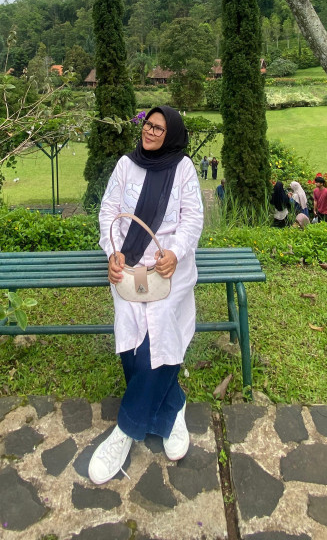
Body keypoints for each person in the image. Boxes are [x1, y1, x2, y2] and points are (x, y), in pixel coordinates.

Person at [91, 106, 204, 485]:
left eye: (159, 128)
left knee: (161, 326)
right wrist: (113, 252)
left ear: (172, 135)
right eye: (148, 125)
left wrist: (175, 252)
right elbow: (109, 210)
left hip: (169, 267)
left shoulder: (183, 168)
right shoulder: (126, 165)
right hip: (130, 266)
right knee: (129, 327)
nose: (150, 132)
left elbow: (192, 218)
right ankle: (173, 407)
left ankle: (125, 431)